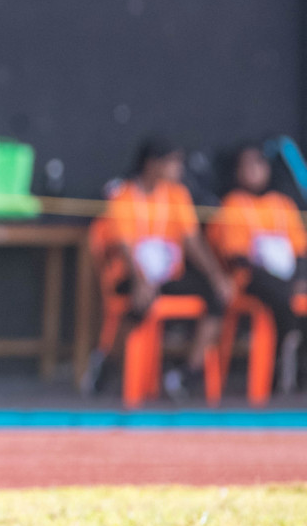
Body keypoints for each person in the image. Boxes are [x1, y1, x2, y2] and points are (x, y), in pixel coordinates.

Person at [83, 137, 234, 399]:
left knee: (217, 297)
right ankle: (108, 362)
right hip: (131, 274)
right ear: (153, 164)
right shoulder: (124, 196)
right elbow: (125, 246)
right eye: (173, 162)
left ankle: (187, 373)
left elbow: (192, 242)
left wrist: (216, 276)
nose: (178, 168)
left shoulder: (177, 195)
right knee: (139, 301)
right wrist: (141, 279)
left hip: (168, 275)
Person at [208, 142, 307, 393]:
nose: (255, 170)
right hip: (249, 279)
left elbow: (299, 249)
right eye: (248, 165)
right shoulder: (233, 204)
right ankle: (282, 355)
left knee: (287, 291)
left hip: (287, 278)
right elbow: (235, 255)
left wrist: (296, 276)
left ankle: (294, 354)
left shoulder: (282, 204)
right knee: (276, 292)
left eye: (259, 164)